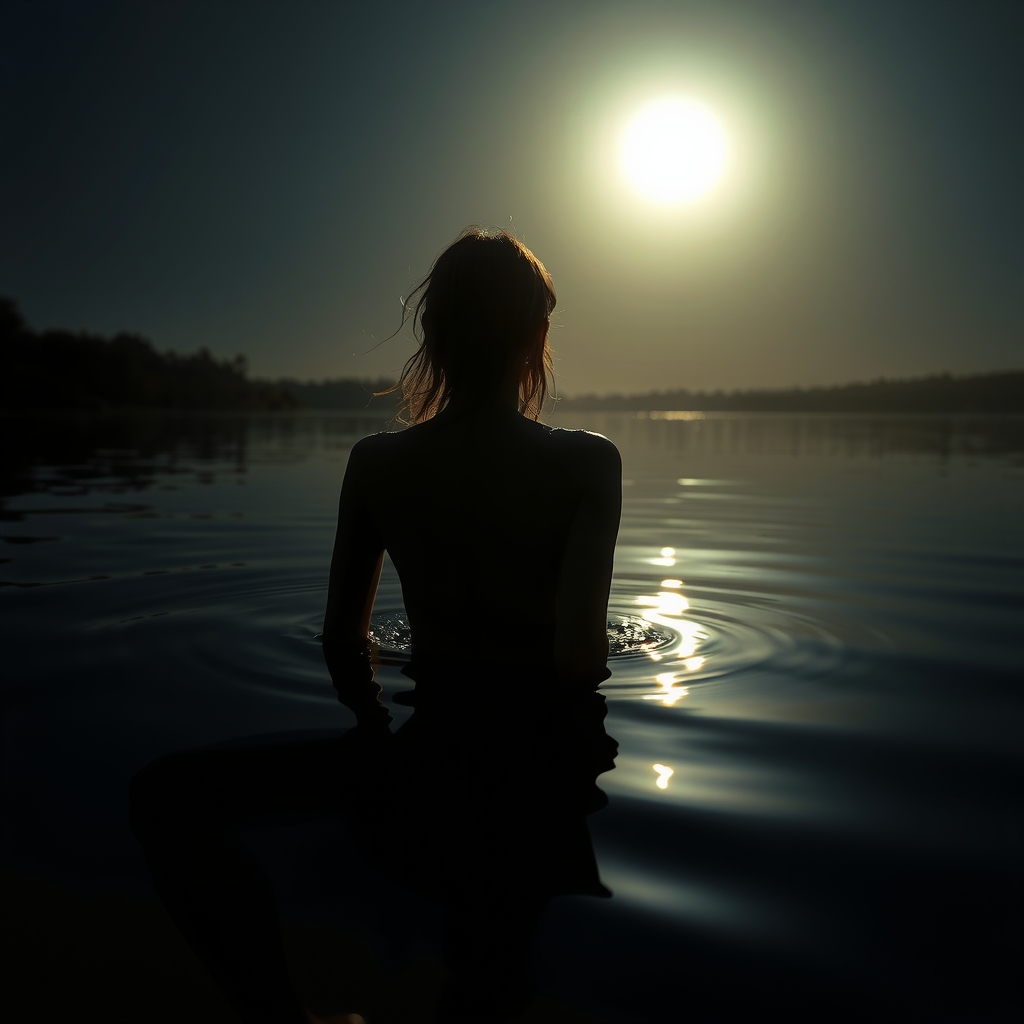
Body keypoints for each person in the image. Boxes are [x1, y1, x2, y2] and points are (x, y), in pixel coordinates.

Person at [129, 227, 621, 1024]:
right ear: (538, 335)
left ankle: (277, 1015)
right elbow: (576, 655)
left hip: (412, 771)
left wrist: (370, 733)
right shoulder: (587, 462)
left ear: (432, 333)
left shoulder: (377, 463)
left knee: (164, 799)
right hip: (533, 777)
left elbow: (342, 637)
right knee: (496, 960)